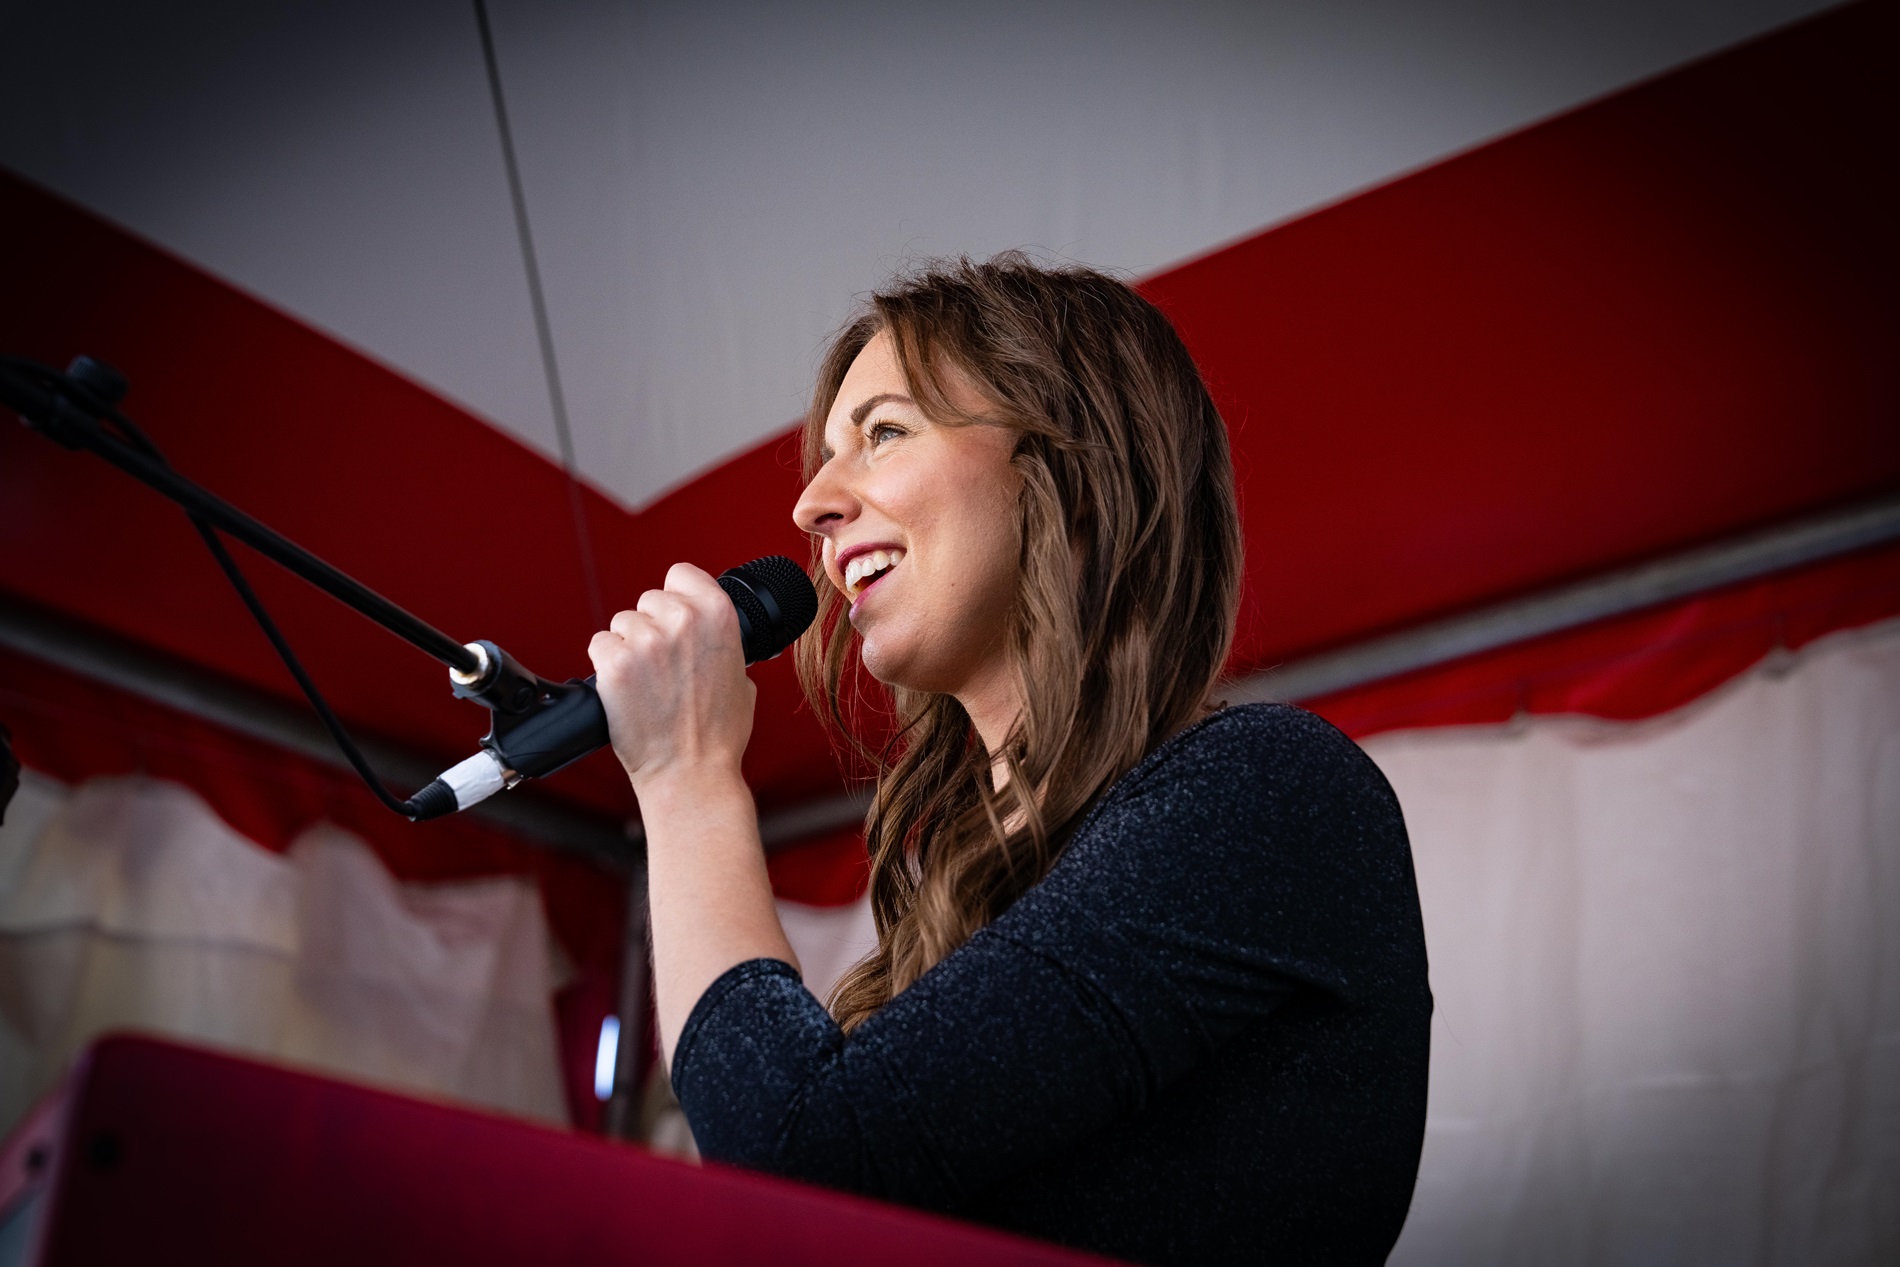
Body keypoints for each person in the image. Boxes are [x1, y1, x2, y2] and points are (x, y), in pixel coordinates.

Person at [587, 254, 1431, 1266]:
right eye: (824, 454)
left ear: (1068, 469)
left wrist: (685, 779)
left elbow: (797, 1165)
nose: (811, 502)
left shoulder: (1263, 791)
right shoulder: (972, 896)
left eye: (884, 432)